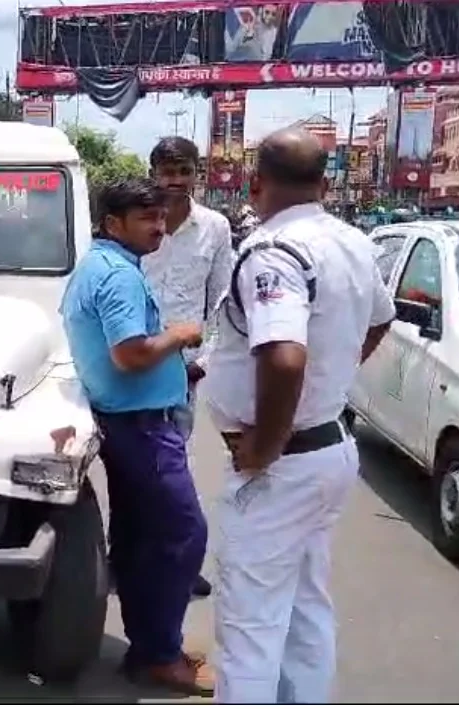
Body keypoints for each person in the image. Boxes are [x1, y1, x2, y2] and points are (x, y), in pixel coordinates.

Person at [202, 128, 395, 703]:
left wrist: (264, 444)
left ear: (256, 183)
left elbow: (284, 360)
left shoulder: (274, 253)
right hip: (328, 451)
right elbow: (381, 319)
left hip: (283, 467)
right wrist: (332, 375)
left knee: (250, 632)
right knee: (306, 609)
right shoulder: (352, 242)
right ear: (324, 183)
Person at [61, 178, 212, 696]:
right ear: (112, 224)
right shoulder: (117, 276)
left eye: (162, 217)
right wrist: (180, 335)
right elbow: (130, 355)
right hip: (142, 429)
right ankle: (159, 655)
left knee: (139, 537)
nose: (160, 227)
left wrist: (176, 369)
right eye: (147, 219)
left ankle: (147, 645)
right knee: (181, 535)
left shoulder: (103, 265)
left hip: (130, 421)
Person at [143, 136, 233, 599]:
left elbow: (222, 303)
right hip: (132, 366)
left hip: (184, 373)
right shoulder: (138, 222)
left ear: (197, 174)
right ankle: (128, 560)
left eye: (184, 172)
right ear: (153, 171)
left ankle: (179, 562)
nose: (174, 182)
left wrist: (204, 362)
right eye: (167, 171)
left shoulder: (215, 228)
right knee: (127, 467)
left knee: (174, 468)